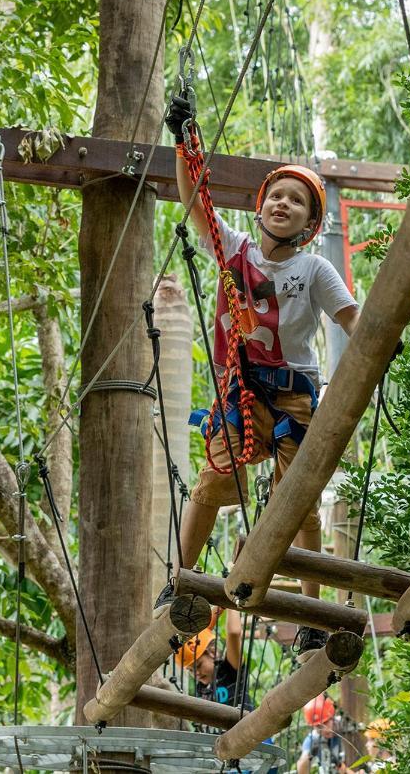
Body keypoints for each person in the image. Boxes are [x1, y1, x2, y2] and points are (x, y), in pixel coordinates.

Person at [155, 95, 360, 659]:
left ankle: (313, 615)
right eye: (276, 196)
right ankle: (180, 578)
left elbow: (352, 320)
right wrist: (183, 140)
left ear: (311, 224)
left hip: (294, 392)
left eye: (297, 201)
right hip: (240, 389)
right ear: (259, 206)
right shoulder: (232, 250)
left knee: (300, 501)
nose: (283, 204)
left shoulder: (313, 268)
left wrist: (378, 341)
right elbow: (194, 196)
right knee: (212, 482)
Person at [176, 607, 253, 710]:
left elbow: (234, 633)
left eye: (198, 665)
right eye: (190, 670)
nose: (196, 673)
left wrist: (231, 603)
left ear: (213, 652)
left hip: (243, 724)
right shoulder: (201, 688)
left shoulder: (229, 670)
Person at [297, 695, 355, 774]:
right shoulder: (312, 740)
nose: (324, 729)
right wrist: (307, 757)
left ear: (332, 717)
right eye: (318, 726)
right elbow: (301, 770)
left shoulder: (342, 724)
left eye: (326, 722)